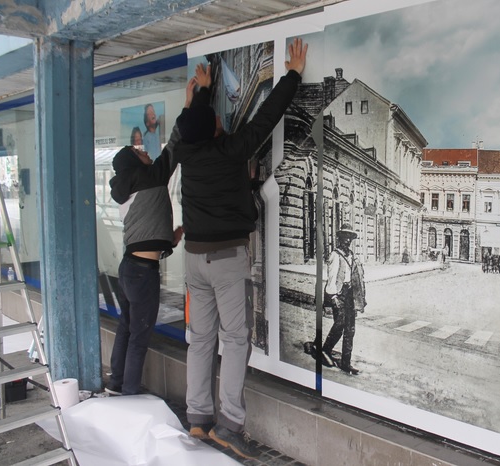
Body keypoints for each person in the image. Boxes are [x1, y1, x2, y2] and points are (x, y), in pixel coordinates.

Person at [172, 37, 308, 458]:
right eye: (214, 118)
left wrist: (201, 91)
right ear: (213, 127)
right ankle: (228, 424)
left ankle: (198, 420)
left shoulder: (185, 151)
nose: (219, 120)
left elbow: (194, 120)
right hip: (227, 260)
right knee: (234, 341)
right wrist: (293, 75)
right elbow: (266, 117)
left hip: (194, 259)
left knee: (200, 340)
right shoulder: (229, 150)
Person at [104, 78, 195, 396]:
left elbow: (142, 233)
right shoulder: (149, 177)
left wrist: (168, 242)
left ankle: (117, 383)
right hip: (142, 273)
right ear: (134, 162)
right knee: (139, 336)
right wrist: (188, 103)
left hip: (131, 267)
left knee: (127, 328)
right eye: (138, 151)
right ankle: (129, 394)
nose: (145, 152)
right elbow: (174, 146)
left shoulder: (127, 190)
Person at [312, 223, 366, 375]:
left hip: (351, 296)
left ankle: (346, 363)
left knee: (350, 329)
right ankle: (325, 350)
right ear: (340, 238)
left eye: (349, 237)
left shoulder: (352, 255)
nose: (347, 240)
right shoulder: (335, 255)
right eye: (344, 237)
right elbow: (331, 279)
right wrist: (333, 297)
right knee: (340, 324)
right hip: (339, 294)